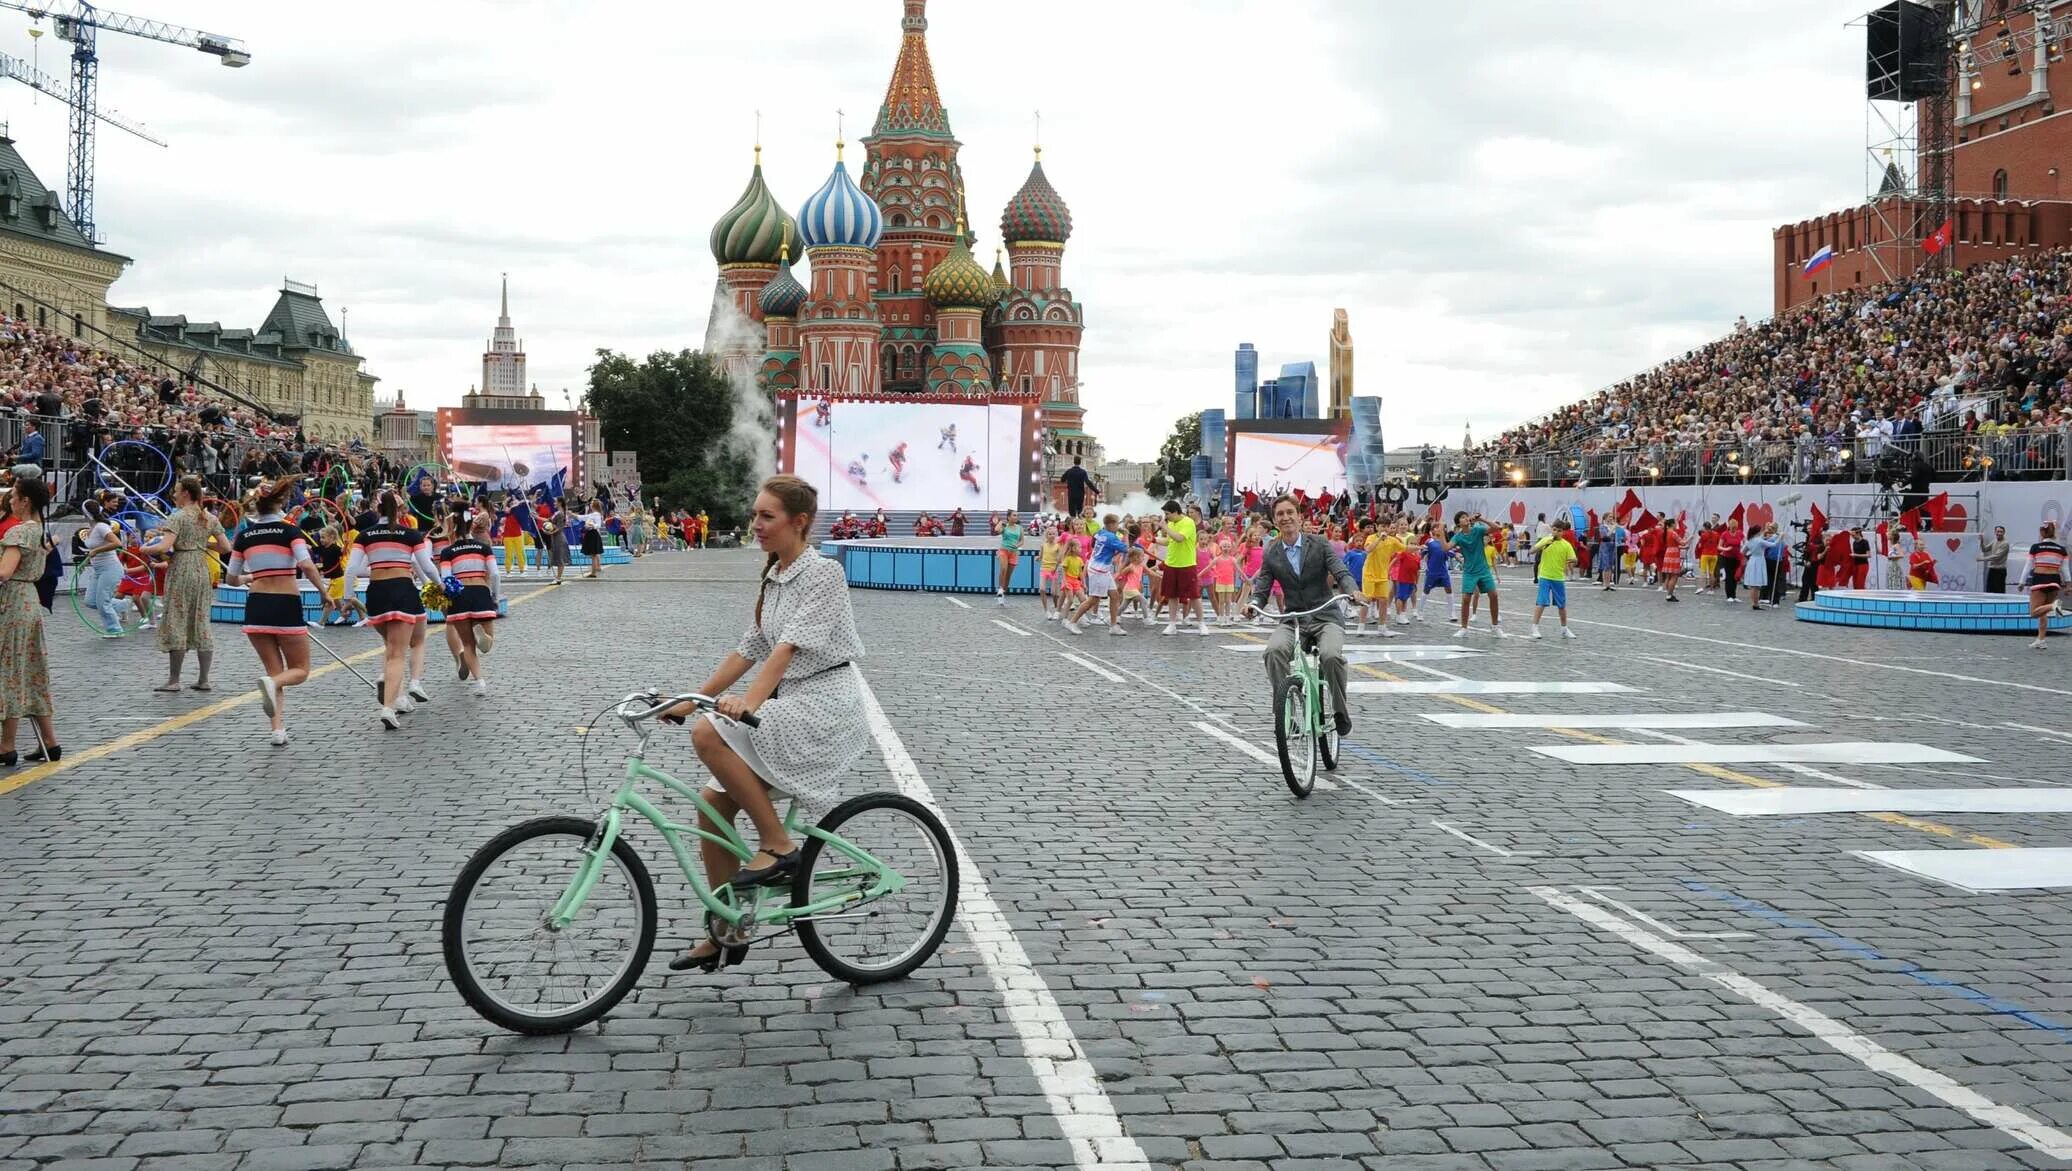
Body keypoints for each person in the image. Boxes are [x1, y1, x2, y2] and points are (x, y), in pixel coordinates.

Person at [664, 475, 866, 973]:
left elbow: (786, 648)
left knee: (710, 734)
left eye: (767, 516)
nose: (755, 525)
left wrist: (745, 704)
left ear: (799, 523)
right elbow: (750, 647)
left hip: (824, 704)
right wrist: (693, 699)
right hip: (792, 701)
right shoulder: (774, 575)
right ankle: (729, 927)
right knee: (711, 805)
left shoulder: (823, 574)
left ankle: (778, 846)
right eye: (755, 514)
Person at [1243, 494, 1361, 738]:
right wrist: (1253, 604)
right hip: (1294, 618)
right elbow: (1263, 586)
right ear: (1274, 521)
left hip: (1325, 614)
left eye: (1290, 512)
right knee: (1273, 652)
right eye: (1280, 514)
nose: (1286, 518)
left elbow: (1340, 571)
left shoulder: (1318, 543)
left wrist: (1352, 591)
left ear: (1299, 516)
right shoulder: (1272, 551)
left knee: (1330, 656)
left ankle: (1340, 710)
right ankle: (1284, 712)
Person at [228, 478, 330, 747]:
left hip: (256, 605)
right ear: (281, 503)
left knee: (274, 672)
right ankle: (272, 696)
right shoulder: (290, 531)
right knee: (300, 670)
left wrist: (250, 578)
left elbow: (231, 578)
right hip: (285, 602)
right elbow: (307, 566)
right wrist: (323, 592)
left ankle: (277, 730)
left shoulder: (244, 536)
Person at [346, 489, 440, 728]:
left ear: (378, 510)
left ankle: (396, 695)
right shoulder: (410, 534)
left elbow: (352, 570)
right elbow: (426, 567)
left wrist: (348, 597)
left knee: (391, 646)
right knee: (398, 652)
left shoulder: (365, 536)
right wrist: (441, 586)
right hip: (402, 590)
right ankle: (388, 707)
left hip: (376, 592)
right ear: (399, 511)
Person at [142, 476, 230, 692]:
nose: (174, 495)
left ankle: (174, 680)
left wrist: (144, 549)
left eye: (177, 491)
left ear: (186, 494)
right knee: (201, 619)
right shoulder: (208, 517)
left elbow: (165, 546)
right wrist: (199, 544)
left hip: (181, 567)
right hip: (201, 568)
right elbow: (225, 548)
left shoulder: (178, 517)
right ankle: (204, 679)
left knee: (177, 618)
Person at [0, 476, 56, 765]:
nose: (10, 501)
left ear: (25, 501)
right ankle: (49, 740)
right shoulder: (40, 530)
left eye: (14, 497)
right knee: (32, 669)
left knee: (9, 669)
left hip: (13, 602)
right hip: (29, 601)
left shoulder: (20, 532)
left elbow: (4, 571)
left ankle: (6, 744)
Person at [439, 512, 502, 695]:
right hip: (480, 591)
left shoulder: (447, 552)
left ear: (453, 528)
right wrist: (495, 598)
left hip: (459, 595)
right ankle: (483, 636)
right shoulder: (483, 548)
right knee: (487, 644)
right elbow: (496, 574)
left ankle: (479, 682)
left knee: (467, 645)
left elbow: (446, 579)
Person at [1067, 513, 1130, 636]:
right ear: (1111, 524)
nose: (1118, 526)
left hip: (1101, 568)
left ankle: (1113, 626)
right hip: (1098, 571)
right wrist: (1126, 535)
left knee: (1115, 595)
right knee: (1093, 599)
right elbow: (1126, 548)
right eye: (1117, 523)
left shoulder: (1101, 532)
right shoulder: (1112, 538)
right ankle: (1072, 622)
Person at [1450, 511, 1504, 638]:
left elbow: (1496, 528)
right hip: (1469, 571)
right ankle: (1464, 628)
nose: (1466, 518)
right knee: (1466, 599)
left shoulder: (1478, 529)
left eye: (1466, 516)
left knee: (1494, 595)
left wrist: (1482, 519)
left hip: (1483, 569)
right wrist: (1441, 535)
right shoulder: (1458, 536)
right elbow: (1447, 547)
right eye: (1462, 517)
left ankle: (1495, 627)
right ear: (1459, 523)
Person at [1157, 500, 1207, 636]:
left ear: (1175, 512)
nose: (1166, 517)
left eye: (1167, 514)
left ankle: (1201, 623)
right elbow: (1169, 541)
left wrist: (1165, 527)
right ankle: (1172, 624)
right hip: (1171, 563)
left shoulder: (1188, 522)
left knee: (1194, 595)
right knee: (1172, 595)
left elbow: (1179, 538)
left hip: (1187, 564)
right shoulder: (1171, 523)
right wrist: (1154, 539)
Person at [1529, 518, 1581, 638]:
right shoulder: (1546, 540)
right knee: (1541, 602)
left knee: (1561, 605)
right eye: (1554, 529)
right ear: (1551, 529)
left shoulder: (1566, 545)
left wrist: (1571, 560)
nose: (1556, 532)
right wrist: (1543, 545)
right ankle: (1535, 627)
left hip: (1558, 578)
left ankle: (1564, 629)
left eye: (1559, 530)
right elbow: (1531, 551)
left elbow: (1574, 559)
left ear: (1562, 532)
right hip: (1545, 576)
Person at [80, 501, 126, 636]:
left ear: (86, 513)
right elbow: (92, 550)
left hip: (110, 568)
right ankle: (122, 605)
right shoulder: (91, 529)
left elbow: (117, 543)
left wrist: (97, 551)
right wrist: (86, 560)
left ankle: (115, 629)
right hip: (98, 569)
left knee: (103, 602)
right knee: (90, 601)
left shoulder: (101, 527)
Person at [2026, 521, 2066, 649]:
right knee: (2043, 612)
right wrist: (2069, 584)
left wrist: (2022, 581)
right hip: (2055, 580)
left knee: (2034, 612)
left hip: (2040, 579)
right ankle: (2041, 640)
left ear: (2042, 533)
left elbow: (2028, 566)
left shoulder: (2036, 547)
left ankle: (2054, 606)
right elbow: (2065, 570)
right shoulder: (2062, 549)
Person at [995, 511, 1022, 604]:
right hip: (1004, 550)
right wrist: (1000, 523)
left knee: (1008, 576)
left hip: (1013, 552)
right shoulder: (1005, 526)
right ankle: (1000, 589)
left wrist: (1017, 545)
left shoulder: (1019, 528)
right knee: (1003, 569)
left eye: (1017, 516)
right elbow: (997, 530)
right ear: (1009, 517)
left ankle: (1003, 593)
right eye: (1014, 515)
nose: (1016, 517)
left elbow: (1022, 541)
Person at [579, 500, 606, 578]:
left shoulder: (596, 514)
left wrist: (592, 525)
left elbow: (598, 525)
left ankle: (595, 570)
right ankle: (597, 567)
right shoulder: (595, 514)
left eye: (591, 503)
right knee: (595, 553)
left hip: (594, 533)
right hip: (593, 533)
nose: (590, 504)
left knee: (594, 553)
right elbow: (584, 517)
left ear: (594, 505)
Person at [1981, 525, 2011, 594]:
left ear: (2004, 533)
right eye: (1998, 531)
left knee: (1999, 591)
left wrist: (1982, 559)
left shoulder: (2005, 543)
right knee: (1989, 590)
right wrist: (1982, 542)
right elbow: (1984, 549)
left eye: (2001, 532)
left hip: (2000, 570)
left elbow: (1996, 556)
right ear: (1995, 532)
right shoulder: (1994, 541)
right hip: (1992, 569)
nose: (1999, 533)